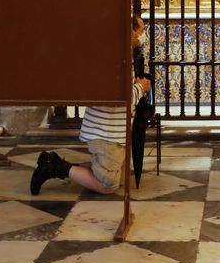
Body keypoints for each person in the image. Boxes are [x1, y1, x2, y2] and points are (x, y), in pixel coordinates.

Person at [30, 15, 151, 195]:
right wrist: (141, 87)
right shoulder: (117, 57)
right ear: (130, 30)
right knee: (108, 185)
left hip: (110, 130)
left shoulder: (119, 53)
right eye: (141, 30)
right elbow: (119, 97)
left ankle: (54, 164)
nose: (143, 35)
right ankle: (56, 167)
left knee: (112, 174)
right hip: (106, 131)